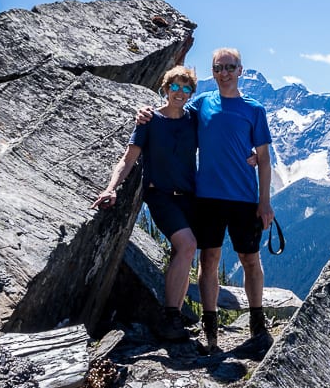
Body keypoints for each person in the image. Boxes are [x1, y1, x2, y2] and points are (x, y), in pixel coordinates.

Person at [138, 47, 274, 355]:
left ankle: (257, 325)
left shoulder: (255, 110)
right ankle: (210, 330)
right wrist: (146, 113)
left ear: (241, 70)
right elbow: (172, 109)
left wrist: (264, 202)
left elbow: (264, 160)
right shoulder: (201, 104)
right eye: (218, 68)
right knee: (208, 261)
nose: (224, 72)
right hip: (207, 198)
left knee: (250, 260)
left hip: (243, 198)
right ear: (213, 73)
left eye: (230, 67)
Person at [92, 65, 200, 341]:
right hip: (161, 196)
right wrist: (111, 188)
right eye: (174, 86)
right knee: (187, 246)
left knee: (183, 253)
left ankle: (172, 317)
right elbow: (128, 159)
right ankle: (171, 316)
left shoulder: (194, 119)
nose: (179, 92)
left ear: (191, 93)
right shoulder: (149, 120)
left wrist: (248, 154)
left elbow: (220, 139)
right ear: (165, 89)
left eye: (186, 88)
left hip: (189, 197)